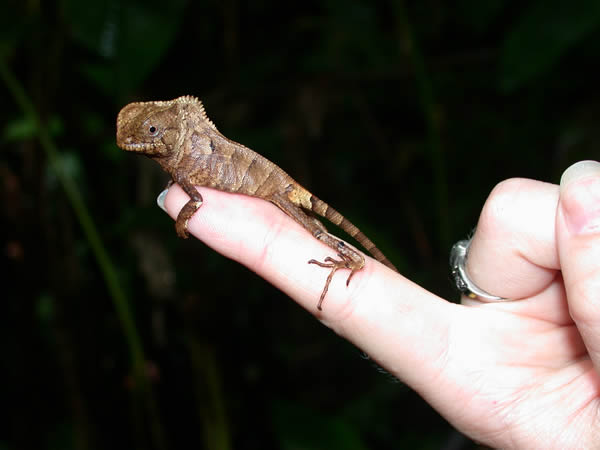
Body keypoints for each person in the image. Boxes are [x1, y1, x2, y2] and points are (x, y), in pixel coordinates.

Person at [158, 160, 600, 448]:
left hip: (274, 187)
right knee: (312, 228)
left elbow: (196, 200)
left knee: (315, 229)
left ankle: (351, 260)